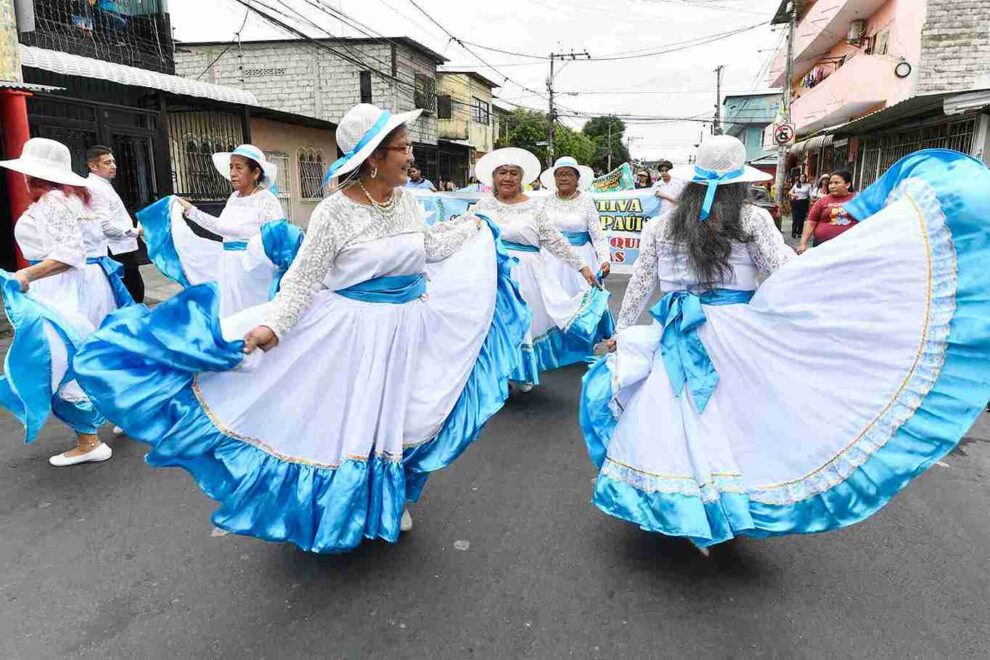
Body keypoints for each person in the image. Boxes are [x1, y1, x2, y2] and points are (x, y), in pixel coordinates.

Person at [74, 103, 529, 554]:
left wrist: (474, 227)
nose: (412, 157)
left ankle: (394, 492)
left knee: (406, 413)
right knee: (361, 417)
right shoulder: (333, 213)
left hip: (409, 328)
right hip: (356, 334)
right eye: (403, 148)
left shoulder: (408, 202)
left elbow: (428, 247)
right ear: (374, 157)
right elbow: (303, 278)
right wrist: (273, 324)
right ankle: (353, 504)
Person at [581, 137, 990, 554]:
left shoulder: (661, 225)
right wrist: (834, 277)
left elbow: (641, 284)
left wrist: (622, 328)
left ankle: (683, 505)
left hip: (674, 331)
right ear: (741, 183)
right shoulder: (752, 219)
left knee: (676, 414)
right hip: (737, 333)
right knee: (732, 420)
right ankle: (714, 505)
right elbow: (780, 273)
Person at [0, 138, 112, 466]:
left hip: (55, 292)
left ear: (32, 175)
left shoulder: (51, 202)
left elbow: (69, 254)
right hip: (66, 288)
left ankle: (90, 441)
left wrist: (25, 276)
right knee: (70, 358)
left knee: (56, 362)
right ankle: (114, 419)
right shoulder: (69, 200)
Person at [474, 148, 605, 391]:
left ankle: (519, 372)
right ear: (493, 177)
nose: (508, 178)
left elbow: (554, 240)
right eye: (503, 172)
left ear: (521, 179)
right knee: (494, 323)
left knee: (522, 323)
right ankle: (498, 375)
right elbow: (463, 233)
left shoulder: (534, 207)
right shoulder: (482, 205)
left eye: (514, 173)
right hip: (492, 275)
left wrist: (583, 267)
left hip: (527, 276)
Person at [169, 145, 285, 314]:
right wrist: (191, 211)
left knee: (252, 315)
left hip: (254, 272)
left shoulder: (266, 200)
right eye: (231, 167)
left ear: (256, 173)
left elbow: (277, 238)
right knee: (229, 314)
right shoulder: (233, 198)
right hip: (228, 268)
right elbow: (221, 227)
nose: (232, 173)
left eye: (239, 167)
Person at [85, 145, 146, 303]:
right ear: (93, 166)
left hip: (124, 248)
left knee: (133, 292)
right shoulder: (95, 188)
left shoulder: (103, 185)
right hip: (116, 250)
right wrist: (136, 232)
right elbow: (104, 225)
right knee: (131, 294)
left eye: (113, 162)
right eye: (107, 162)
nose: (114, 166)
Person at [798, 169, 857, 254]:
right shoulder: (822, 201)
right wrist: (803, 244)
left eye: (836, 183)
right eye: (831, 183)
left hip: (849, 246)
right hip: (822, 245)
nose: (832, 186)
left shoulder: (858, 199)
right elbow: (811, 222)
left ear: (847, 185)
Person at [788, 172, 812, 239]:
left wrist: (812, 199)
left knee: (801, 218)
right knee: (795, 218)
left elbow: (811, 194)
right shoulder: (796, 184)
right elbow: (790, 192)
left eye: (803, 177)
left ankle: (799, 232)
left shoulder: (808, 185)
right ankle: (793, 232)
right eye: (801, 177)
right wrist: (793, 195)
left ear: (805, 178)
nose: (802, 178)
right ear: (799, 178)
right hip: (796, 202)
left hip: (804, 202)